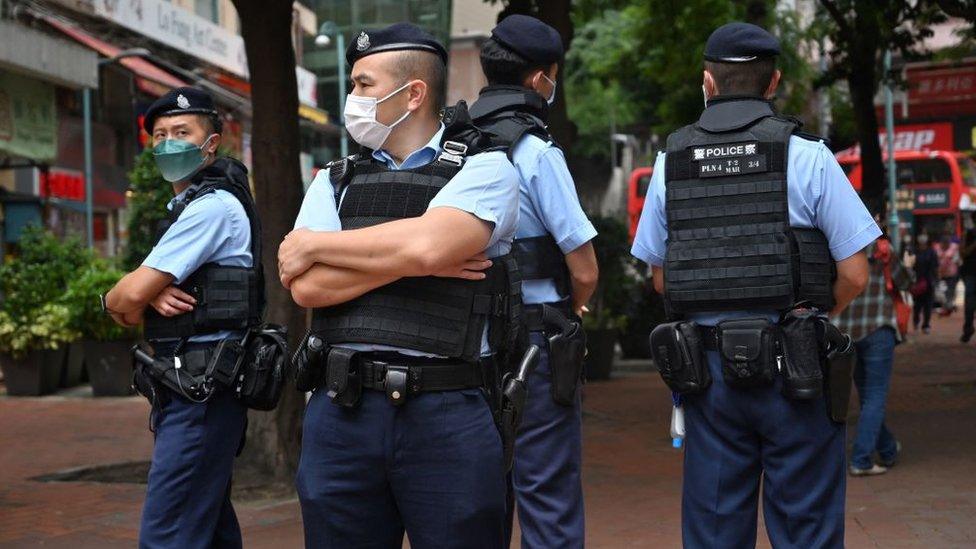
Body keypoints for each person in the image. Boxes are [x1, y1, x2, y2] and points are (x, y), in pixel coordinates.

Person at [630, 22, 877, 547]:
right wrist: (808, 317)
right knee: (806, 527)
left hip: (709, 376)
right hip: (797, 368)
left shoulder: (671, 161)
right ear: (774, 83)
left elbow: (659, 277)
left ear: (708, 82)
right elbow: (856, 272)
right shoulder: (807, 155)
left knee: (715, 528)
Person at [277, 23, 521, 548]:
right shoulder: (334, 179)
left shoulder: (487, 168)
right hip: (342, 411)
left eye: (363, 85)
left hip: (448, 411)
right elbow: (307, 287)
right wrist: (417, 261)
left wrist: (321, 245)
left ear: (413, 94)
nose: (352, 99)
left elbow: (427, 246)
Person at [103, 87, 262, 548]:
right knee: (208, 529)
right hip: (193, 386)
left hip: (202, 390)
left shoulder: (210, 209)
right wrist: (145, 296)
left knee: (168, 534)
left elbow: (122, 301)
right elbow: (131, 307)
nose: (169, 142)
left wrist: (132, 294)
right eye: (161, 134)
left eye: (182, 132)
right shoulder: (188, 207)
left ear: (210, 144)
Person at [469, 15, 598, 549]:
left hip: (465, 341)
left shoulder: (452, 141)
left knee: (477, 493)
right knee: (545, 491)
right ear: (539, 79)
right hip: (533, 343)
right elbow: (584, 268)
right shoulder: (537, 151)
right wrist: (579, 305)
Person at [835, 230, 909, 476]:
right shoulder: (882, 249)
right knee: (874, 397)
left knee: (867, 396)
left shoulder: (836, 246)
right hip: (878, 328)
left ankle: (887, 449)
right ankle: (861, 459)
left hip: (845, 332)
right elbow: (906, 281)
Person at [912, 233, 938, 334]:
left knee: (928, 305)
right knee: (917, 305)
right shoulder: (914, 251)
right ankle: (916, 321)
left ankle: (926, 324)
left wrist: (936, 279)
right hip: (917, 281)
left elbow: (935, 266)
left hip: (929, 281)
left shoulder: (931, 252)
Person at [934, 234, 960, 314]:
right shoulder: (936, 248)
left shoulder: (954, 248)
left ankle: (948, 306)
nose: (945, 245)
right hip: (939, 273)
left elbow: (957, 260)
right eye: (944, 243)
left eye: (947, 243)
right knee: (938, 290)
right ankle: (941, 304)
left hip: (951, 273)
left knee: (950, 290)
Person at [961, 222, 976, 342]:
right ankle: (968, 329)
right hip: (971, 273)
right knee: (970, 305)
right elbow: (963, 253)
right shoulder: (968, 234)